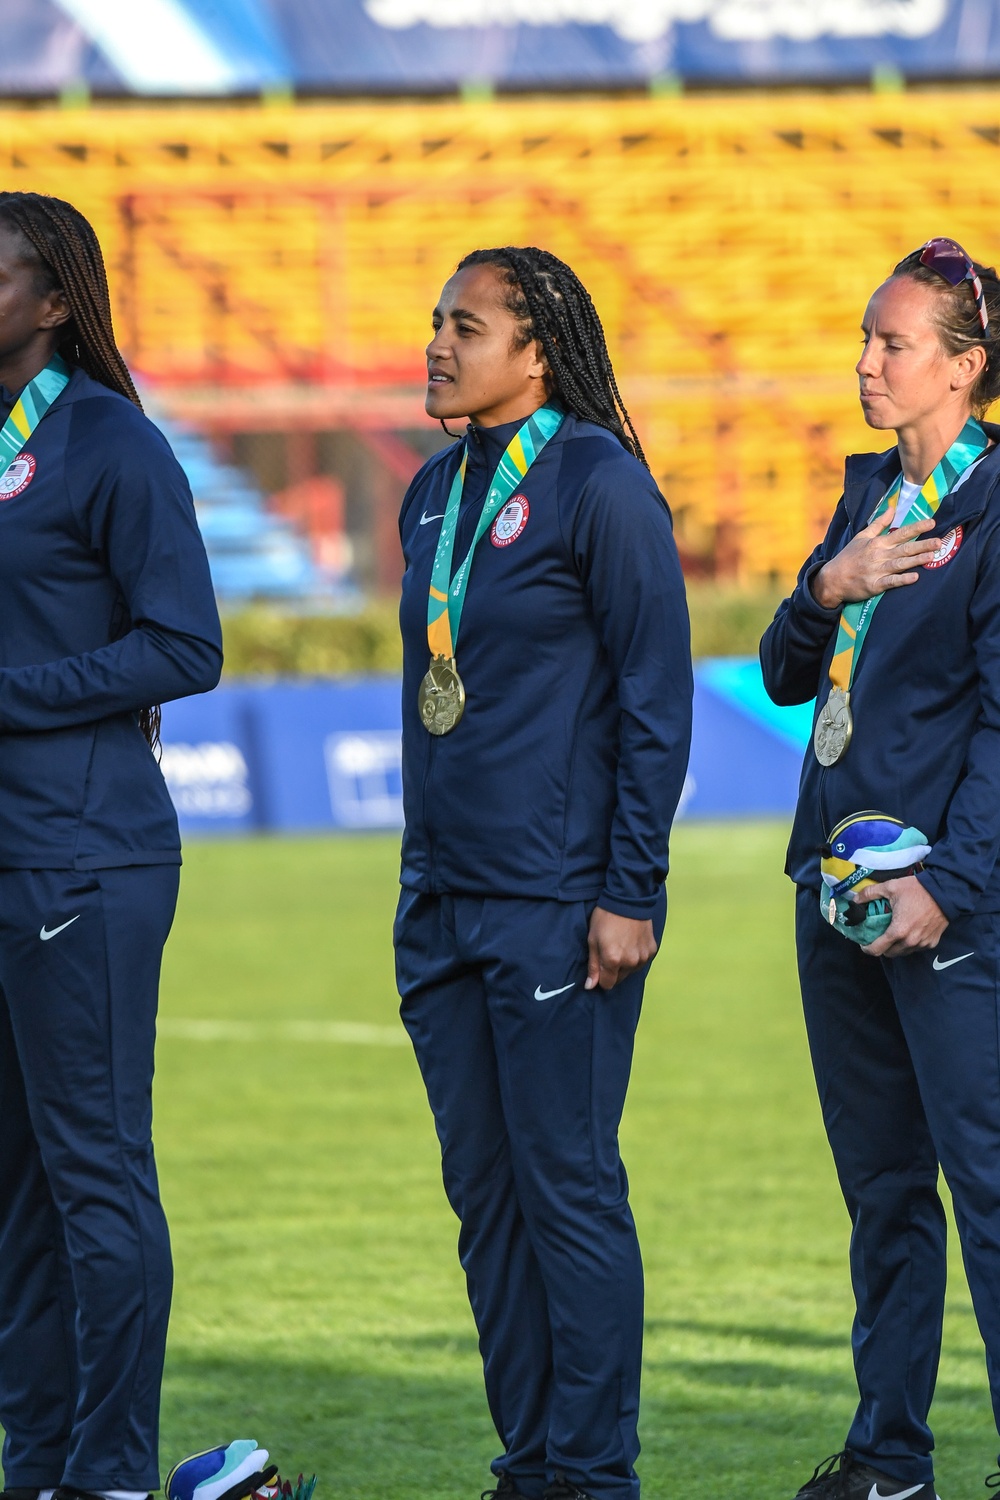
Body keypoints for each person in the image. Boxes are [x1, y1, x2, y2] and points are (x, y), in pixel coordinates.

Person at [393, 246, 693, 1500]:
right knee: (485, 1198)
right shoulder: (428, 491)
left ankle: (594, 1471)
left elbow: (654, 700)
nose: (438, 344)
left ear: (534, 352)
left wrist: (630, 890)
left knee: (565, 1187)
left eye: (467, 326)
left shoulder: (597, 483)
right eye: (435, 322)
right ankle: (528, 1463)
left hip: (558, 902)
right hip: (440, 900)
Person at [761, 238, 1000, 1499]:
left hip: (947, 911)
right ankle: (887, 1458)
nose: (863, 361)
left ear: (962, 370)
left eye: (891, 344)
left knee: (990, 1193)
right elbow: (786, 671)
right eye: (864, 337)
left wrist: (945, 885)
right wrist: (825, 582)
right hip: (837, 895)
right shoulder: (867, 499)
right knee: (883, 1194)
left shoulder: (995, 504)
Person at [0, 194, 222, 1500]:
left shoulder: (110, 444)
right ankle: (38, 1468)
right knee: (15, 1199)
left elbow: (185, 646)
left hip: (86, 856)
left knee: (92, 1179)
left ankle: (113, 1472)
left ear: (56, 300)